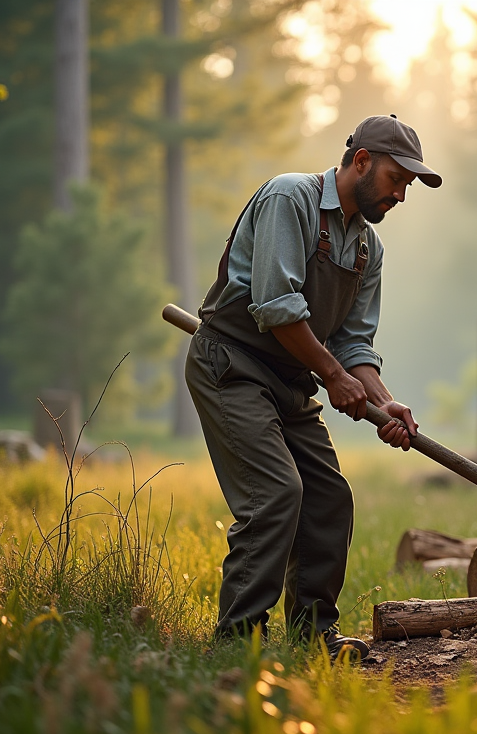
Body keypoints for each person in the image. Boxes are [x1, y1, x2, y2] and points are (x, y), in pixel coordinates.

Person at [186, 114, 441, 662]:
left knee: (329, 498)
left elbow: (354, 347)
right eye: (397, 179)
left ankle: (312, 638)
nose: (401, 195)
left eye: (408, 187)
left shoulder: (368, 249)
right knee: (276, 494)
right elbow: (277, 308)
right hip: (231, 366)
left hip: (290, 381)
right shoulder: (290, 198)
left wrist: (382, 400)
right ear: (362, 161)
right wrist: (334, 377)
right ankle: (237, 645)